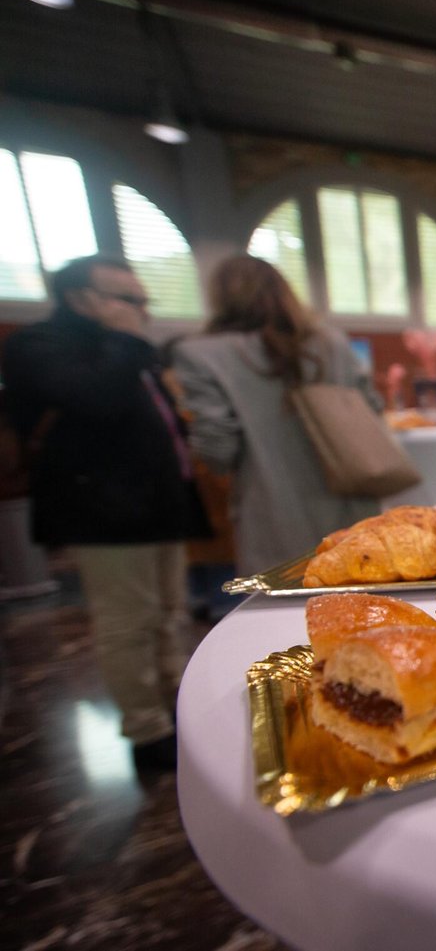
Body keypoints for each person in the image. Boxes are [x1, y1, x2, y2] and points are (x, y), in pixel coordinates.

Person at [1, 256, 211, 769]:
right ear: (79, 298)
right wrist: (123, 338)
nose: (140, 310)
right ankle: (147, 730)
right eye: (127, 299)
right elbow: (100, 400)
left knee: (169, 613)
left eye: (143, 301)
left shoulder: (124, 347)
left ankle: (176, 706)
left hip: (158, 504)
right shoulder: (40, 345)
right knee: (128, 620)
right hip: (105, 511)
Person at [172, 256, 380, 576]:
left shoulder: (201, 354)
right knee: (361, 592)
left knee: (283, 596)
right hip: (350, 499)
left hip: (271, 508)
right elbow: (373, 410)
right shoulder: (331, 343)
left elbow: (218, 450)